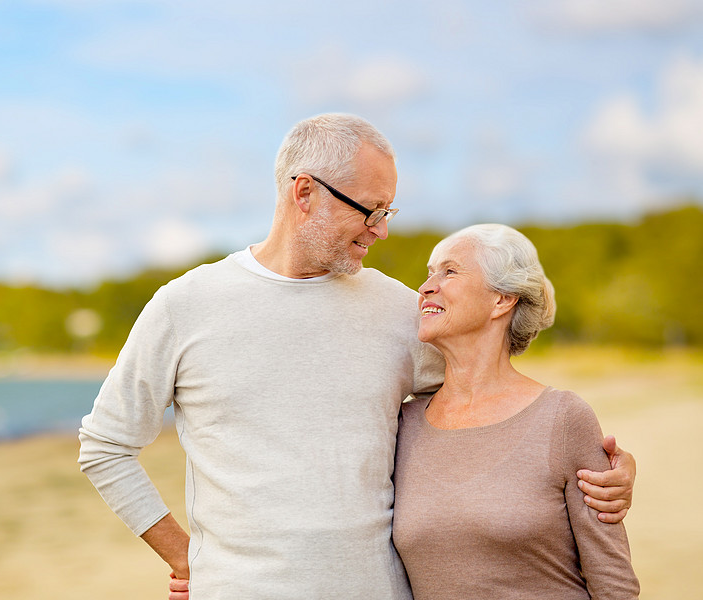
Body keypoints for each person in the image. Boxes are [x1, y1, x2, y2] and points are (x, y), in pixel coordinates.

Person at [78, 114, 635, 600]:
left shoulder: (401, 311)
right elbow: (105, 447)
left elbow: (494, 405)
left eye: (388, 210)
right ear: (305, 194)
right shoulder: (186, 305)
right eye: (370, 210)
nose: (383, 230)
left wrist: (605, 473)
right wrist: (186, 557)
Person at [393, 224, 639, 598]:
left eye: (449, 271)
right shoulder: (403, 424)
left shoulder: (563, 417)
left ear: (502, 300)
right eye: (429, 273)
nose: (426, 287)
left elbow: (614, 582)